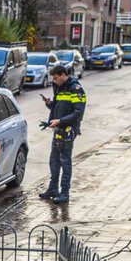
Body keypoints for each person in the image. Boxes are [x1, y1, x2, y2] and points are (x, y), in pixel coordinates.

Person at [39, 63, 86, 204]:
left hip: (68, 130)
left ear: (64, 75)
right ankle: (53, 189)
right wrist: (50, 104)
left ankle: (64, 193)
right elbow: (60, 107)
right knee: (54, 161)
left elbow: (78, 113)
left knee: (65, 162)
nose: (54, 81)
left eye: (56, 78)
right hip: (58, 130)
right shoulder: (60, 88)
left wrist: (60, 121)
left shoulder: (75, 89)